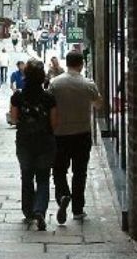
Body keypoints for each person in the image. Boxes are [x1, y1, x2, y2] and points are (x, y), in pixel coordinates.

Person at [48, 50, 101, 224]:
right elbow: (99, 104)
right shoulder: (87, 84)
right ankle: (78, 209)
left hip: (60, 134)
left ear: (68, 63)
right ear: (81, 64)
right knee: (80, 172)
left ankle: (63, 194)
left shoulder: (55, 83)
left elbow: (49, 106)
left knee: (59, 170)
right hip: (82, 134)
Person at [9, 58, 58, 231]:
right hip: (45, 142)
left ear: (25, 75)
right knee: (43, 178)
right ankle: (40, 210)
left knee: (27, 176)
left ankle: (28, 211)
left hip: (24, 142)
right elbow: (54, 124)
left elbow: (13, 119)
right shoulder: (49, 97)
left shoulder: (18, 96)